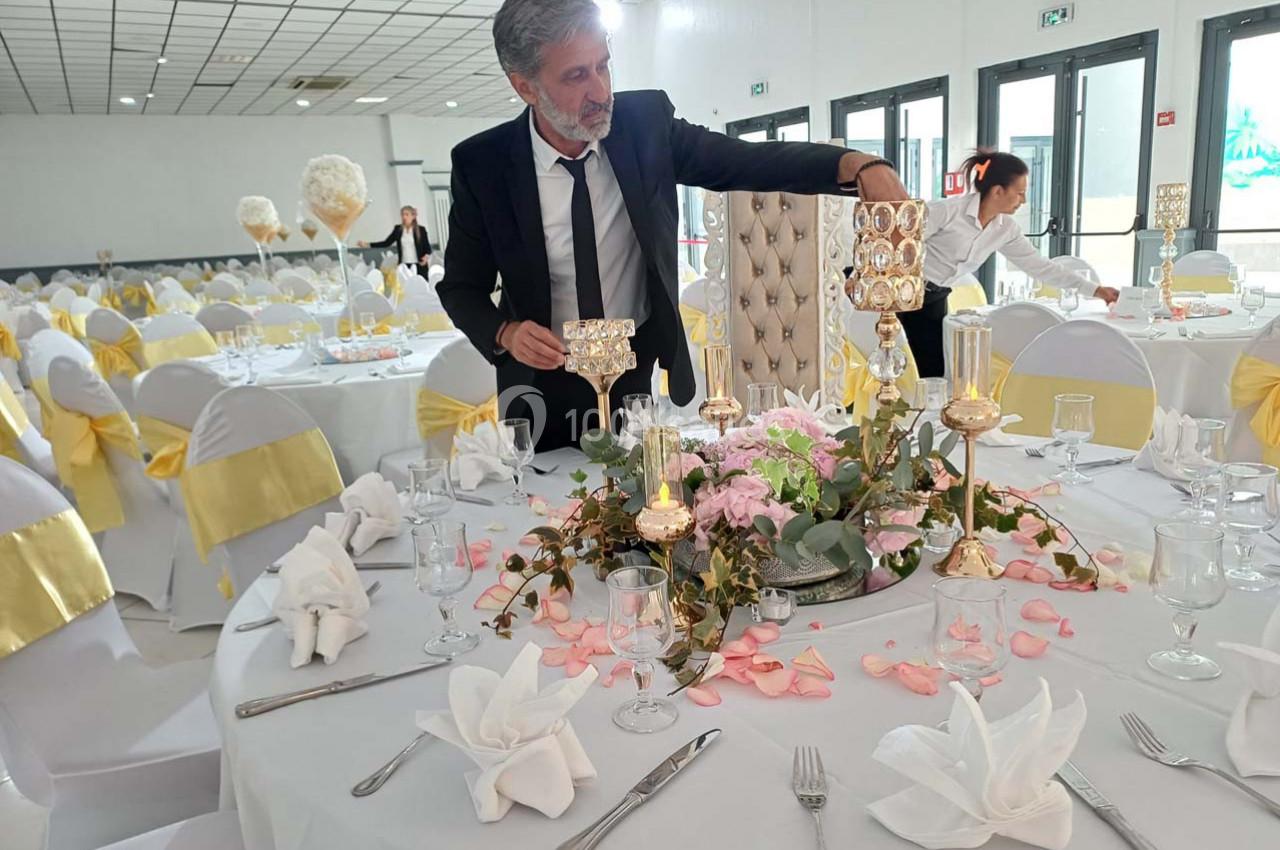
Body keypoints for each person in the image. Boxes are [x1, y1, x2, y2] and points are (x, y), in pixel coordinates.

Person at [438, 0, 908, 451]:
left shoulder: (644, 125)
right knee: (546, 517)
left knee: (638, 510)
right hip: (541, 380)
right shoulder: (484, 165)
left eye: (603, 65)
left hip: (632, 372)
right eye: (576, 75)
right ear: (525, 87)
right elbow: (461, 287)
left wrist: (855, 165)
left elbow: (747, 162)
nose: (600, 91)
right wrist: (505, 333)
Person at [903, 149, 1120, 377]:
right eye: (1020, 193)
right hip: (902, 294)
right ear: (998, 191)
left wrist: (1095, 290)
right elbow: (900, 245)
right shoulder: (946, 211)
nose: (1023, 201)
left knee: (934, 371)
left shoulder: (1005, 229)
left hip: (934, 298)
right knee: (907, 368)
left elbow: (1039, 266)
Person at [357, 206, 432, 277]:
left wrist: (426, 257)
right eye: (402, 215)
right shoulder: (398, 229)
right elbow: (386, 243)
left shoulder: (421, 230)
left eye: (406, 214)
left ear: (413, 216)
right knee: (405, 288)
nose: (404, 217)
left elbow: (428, 248)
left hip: (419, 264)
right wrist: (368, 245)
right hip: (404, 265)